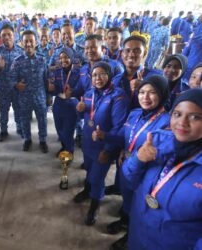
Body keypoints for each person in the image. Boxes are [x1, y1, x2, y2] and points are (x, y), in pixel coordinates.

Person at [95, 75, 170, 249]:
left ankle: (131, 236)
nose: (145, 97)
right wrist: (105, 136)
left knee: (140, 206)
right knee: (127, 198)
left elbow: (161, 153)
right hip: (126, 166)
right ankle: (125, 222)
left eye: (152, 93)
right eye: (142, 92)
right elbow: (124, 137)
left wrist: (133, 154)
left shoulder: (167, 122)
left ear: (163, 95)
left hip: (147, 173)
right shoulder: (134, 114)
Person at [123, 88, 202, 250]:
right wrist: (137, 160)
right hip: (138, 233)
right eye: (177, 114)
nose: (182, 122)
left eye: (195, 117)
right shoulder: (157, 140)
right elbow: (129, 179)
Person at [75, 62, 129, 225]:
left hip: (103, 146)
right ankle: (87, 190)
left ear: (109, 75)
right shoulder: (89, 93)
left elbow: (119, 127)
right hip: (88, 142)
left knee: (98, 178)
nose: (98, 78)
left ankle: (95, 204)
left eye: (102, 74)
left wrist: (108, 149)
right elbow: (88, 115)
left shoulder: (118, 96)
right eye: (94, 75)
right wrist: (80, 109)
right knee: (89, 171)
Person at [11, 30, 48, 153]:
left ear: (35, 42)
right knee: (25, 119)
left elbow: (46, 79)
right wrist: (16, 85)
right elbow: (11, 79)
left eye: (31, 41)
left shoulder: (43, 60)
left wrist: (48, 97)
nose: (28, 44)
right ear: (21, 43)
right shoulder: (17, 61)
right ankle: (27, 139)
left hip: (40, 96)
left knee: (42, 119)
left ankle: (42, 140)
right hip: (24, 98)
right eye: (25, 41)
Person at [0, 24, 23, 142]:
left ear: (14, 35)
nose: (7, 37)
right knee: (3, 111)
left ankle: (20, 128)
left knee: (18, 109)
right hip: (3, 89)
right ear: (0, 37)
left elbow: (25, 70)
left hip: (17, 88)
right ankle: (3, 131)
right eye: (4, 35)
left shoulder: (21, 51)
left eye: (9, 34)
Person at [48, 47, 80, 156]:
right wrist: (51, 89)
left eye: (66, 57)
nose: (63, 60)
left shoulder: (78, 72)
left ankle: (69, 152)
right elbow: (54, 89)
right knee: (59, 129)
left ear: (71, 58)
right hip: (58, 103)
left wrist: (73, 91)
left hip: (71, 104)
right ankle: (64, 146)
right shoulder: (57, 72)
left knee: (68, 131)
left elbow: (81, 89)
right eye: (61, 58)